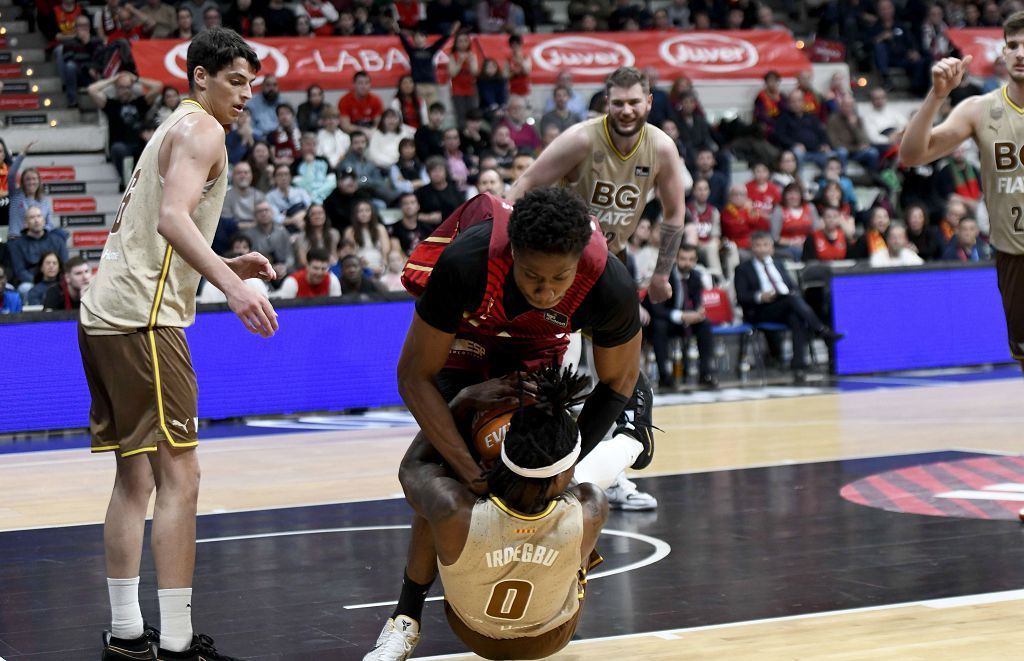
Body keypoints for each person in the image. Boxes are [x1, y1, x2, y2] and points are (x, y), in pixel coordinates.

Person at [364, 189, 641, 660]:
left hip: (536, 349)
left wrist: (565, 464)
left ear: (580, 263)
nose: (547, 290)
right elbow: (413, 376)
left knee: (539, 468)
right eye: (533, 275)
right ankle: (405, 617)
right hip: (468, 339)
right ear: (512, 253)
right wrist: (466, 466)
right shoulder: (468, 262)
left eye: (560, 278)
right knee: (449, 478)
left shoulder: (608, 283)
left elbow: (618, 381)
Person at [80, 28, 277, 661]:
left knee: (133, 477)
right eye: (235, 81)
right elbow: (170, 219)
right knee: (181, 475)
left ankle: (127, 631)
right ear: (200, 78)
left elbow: (160, 226)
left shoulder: (174, 127)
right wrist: (230, 287)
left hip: (104, 315)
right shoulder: (204, 131)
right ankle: (179, 642)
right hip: (144, 320)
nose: (245, 95)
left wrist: (222, 261)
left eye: (251, 83)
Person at [507, 66, 690, 509]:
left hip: (612, 267)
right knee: (559, 379)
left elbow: (675, 213)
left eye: (635, 102)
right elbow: (522, 186)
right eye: (618, 102)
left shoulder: (662, 148)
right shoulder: (582, 139)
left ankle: (611, 475)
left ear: (649, 103)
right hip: (566, 270)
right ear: (606, 103)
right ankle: (549, 470)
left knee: (619, 377)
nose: (626, 110)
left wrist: (662, 273)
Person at [389, 366, 607, 661]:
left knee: (433, 499)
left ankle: (406, 619)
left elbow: (411, 468)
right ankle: (631, 443)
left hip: (470, 631)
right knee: (579, 528)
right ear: (560, 477)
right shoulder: (592, 506)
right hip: (552, 636)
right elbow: (570, 484)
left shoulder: (454, 510)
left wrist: (462, 401)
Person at [734, 232, 842, 384]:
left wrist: (790, 293)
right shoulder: (742, 269)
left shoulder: (779, 264)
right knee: (792, 301)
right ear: (752, 248)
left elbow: (792, 287)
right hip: (761, 310)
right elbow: (741, 296)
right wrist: (760, 296)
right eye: (758, 246)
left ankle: (798, 367)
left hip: (784, 304)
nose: (763, 249)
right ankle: (821, 330)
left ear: (772, 248)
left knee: (796, 318)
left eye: (766, 245)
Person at [646, 244, 716, 390]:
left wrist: (697, 313)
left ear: (696, 260)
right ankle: (664, 376)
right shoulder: (663, 277)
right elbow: (656, 309)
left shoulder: (696, 276)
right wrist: (682, 315)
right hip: (663, 319)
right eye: (683, 259)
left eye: (691, 259)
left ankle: (706, 373)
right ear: (676, 259)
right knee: (660, 326)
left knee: (705, 324)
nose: (687, 263)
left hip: (684, 320)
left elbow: (697, 303)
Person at [87, 71, 164, 183]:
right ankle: (127, 182)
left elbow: (158, 86)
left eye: (128, 87)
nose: (125, 91)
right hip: (120, 146)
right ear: (116, 89)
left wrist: (136, 79)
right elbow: (91, 90)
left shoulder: (140, 103)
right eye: (121, 88)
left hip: (139, 145)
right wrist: (113, 79)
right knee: (119, 149)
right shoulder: (110, 105)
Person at [8, 206, 68, 297]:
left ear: (44, 220)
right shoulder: (17, 244)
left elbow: (65, 266)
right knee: (25, 288)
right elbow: (20, 271)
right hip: (31, 282)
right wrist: (41, 282)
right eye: (32, 217)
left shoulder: (57, 240)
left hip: (56, 280)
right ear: (26, 223)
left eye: (39, 216)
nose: (36, 220)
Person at [276, 248, 340, 298]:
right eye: (316, 268)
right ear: (307, 266)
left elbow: (337, 308)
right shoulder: (292, 282)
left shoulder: (332, 280)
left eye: (323, 269)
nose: (319, 273)